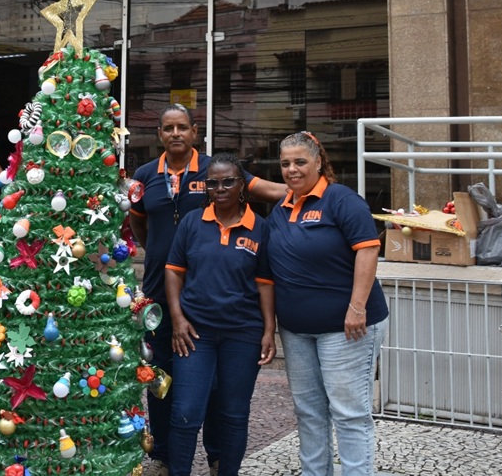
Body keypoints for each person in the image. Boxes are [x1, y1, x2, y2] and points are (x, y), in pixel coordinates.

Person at [127, 104, 285, 476]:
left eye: (183, 127)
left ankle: (217, 455)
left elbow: (266, 189)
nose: (176, 133)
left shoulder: (217, 170)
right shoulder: (146, 175)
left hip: (206, 292)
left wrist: (311, 191)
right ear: (160, 135)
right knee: (162, 378)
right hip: (159, 292)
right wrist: (161, 255)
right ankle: (163, 456)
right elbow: (138, 222)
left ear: (195, 132)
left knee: (216, 386)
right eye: (168, 128)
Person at [264, 131, 389, 476]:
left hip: (347, 328)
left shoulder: (341, 200)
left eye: (300, 162)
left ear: (318, 162)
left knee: (349, 413)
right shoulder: (283, 207)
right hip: (297, 331)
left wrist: (357, 307)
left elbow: (368, 248)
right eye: (286, 163)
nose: (292, 169)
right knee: (309, 412)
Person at [165, 153, 276, 476]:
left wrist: (269, 330)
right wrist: (177, 318)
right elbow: (173, 272)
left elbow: (265, 283)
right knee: (185, 413)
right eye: (212, 183)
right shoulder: (191, 222)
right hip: (195, 332)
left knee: (234, 414)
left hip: (242, 333)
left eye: (228, 181)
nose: (220, 188)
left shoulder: (260, 228)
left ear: (242, 185)